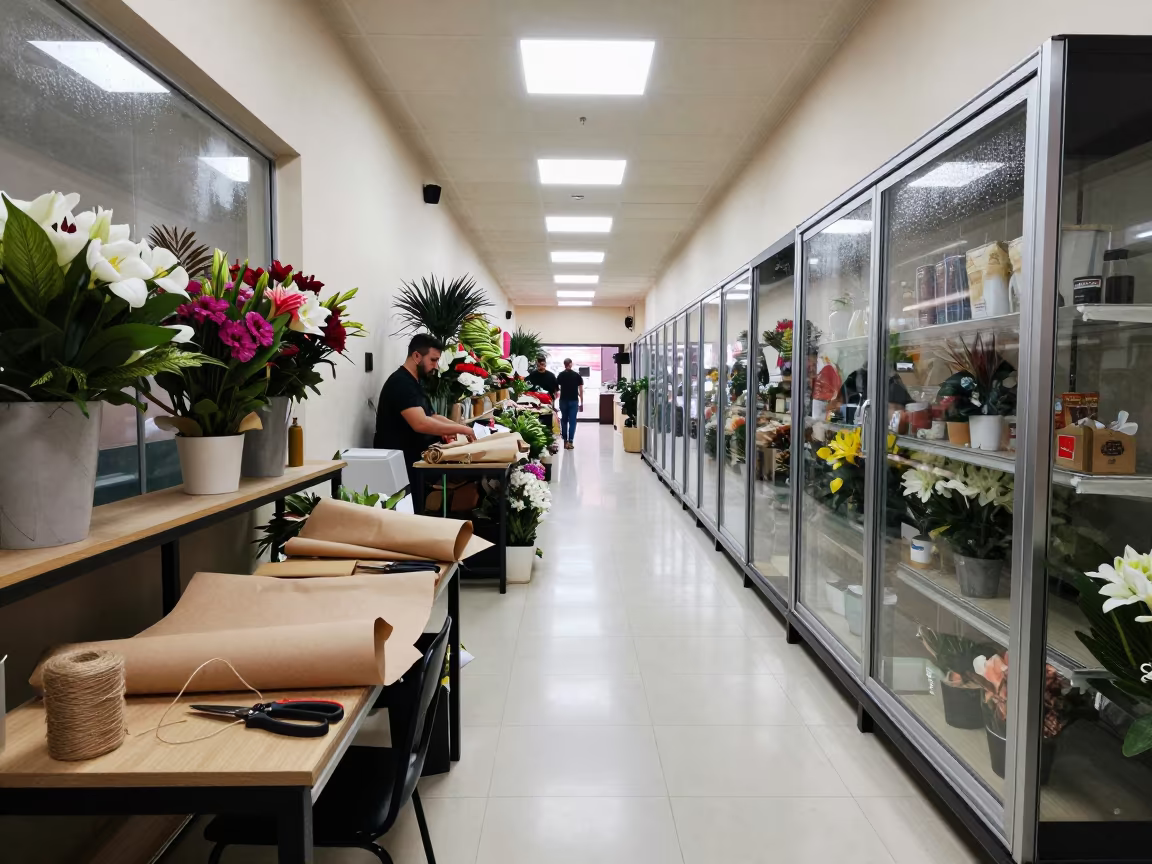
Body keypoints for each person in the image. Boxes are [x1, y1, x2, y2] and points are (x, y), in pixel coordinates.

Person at [374, 333, 475, 485]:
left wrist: (457, 427)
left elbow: (432, 416)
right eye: (433, 360)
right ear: (416, 356)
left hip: (413, 459)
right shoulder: (401, 383)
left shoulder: (414, 382)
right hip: (401, 463)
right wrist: (462, 430)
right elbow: (420, 423)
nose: (436, 365)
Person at [556, 358, 584, 449]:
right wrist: (582, 401)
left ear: (564, 364)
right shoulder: (577, 375)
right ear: (571, 364)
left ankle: (565, 441)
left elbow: (556, 388)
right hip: (574, 400)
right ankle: (571, 441)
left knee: (564, 421)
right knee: (572, 422)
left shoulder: (561, 375)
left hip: (563, 400)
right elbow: (581, 390)